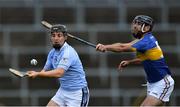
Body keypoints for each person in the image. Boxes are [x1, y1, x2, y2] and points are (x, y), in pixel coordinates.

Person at [96, 15, 174, 106]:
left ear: (147, 27)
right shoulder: (144, 39)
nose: (134, 26)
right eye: (135, 23)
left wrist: (105, 47)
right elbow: (146, 59)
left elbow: (122, 47)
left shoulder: (146, 42)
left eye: (138, 24)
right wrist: (130, 62)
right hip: (153, 83)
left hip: (162, 82)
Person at [27, 24, 89, 107]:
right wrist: (34, 74)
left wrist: (37, 74)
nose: (56, 38)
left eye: (59, 35)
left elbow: (59, 73)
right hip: (63, 90)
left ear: (65, 37)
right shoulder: (52, 53)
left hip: (77, 93)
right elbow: (44, 71)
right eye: (53, 35)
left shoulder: (68, 52)